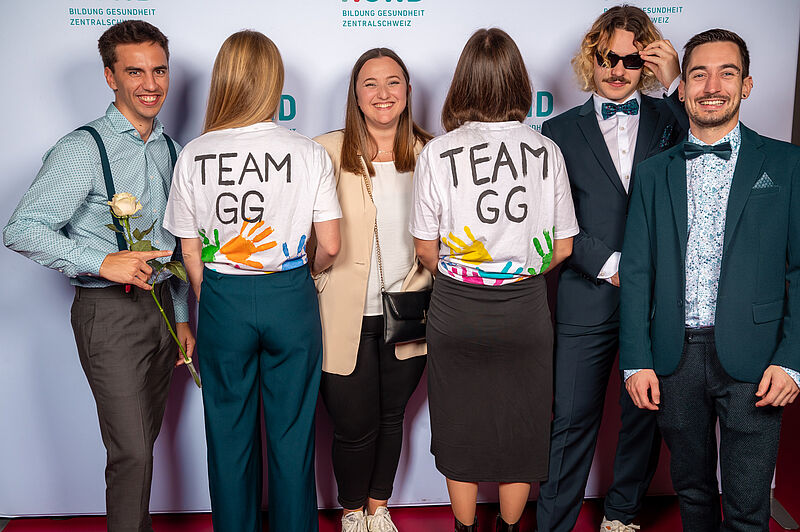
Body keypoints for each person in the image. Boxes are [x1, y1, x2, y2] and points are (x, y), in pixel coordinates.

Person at [3, 20, 193, 532]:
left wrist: (181, 318)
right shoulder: (83, 148)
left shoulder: (172, 150)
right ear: (110, 77)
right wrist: (101, 260)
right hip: (108, 314)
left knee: (143, 443)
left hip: (160, 312)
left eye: (159, 71)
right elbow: (22, 228)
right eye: (135, 72)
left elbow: (174, 245)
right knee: (132, 450)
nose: (150, 84)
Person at [620, 28, 800, 532]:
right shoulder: (652, 174)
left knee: (747, 506)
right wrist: (636, 361)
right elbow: (636, 272)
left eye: (727, 73)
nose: (712, 86)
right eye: (698, 74)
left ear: (746, 86)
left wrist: (792, 360)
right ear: (682, 88)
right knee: (693, 494)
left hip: (758, 360)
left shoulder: (786, 164)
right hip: (673, 357)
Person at [162, 30, 341, 532]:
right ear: (274, 82)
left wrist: (215, 296)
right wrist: (300, 277)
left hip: (223, 296)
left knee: (227, 435)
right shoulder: (306, 151)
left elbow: (189, 250)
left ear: (224, 80)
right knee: (293, 434)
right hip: (291, 293)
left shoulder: (194, 153)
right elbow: (330, 245)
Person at [410, 28, 579, 532]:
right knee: (522, 428)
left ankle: (464, 529)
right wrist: (517, 271)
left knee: (459, 423)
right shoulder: (546, 150)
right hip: (525, 306)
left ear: (462, 82)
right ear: (518, 82)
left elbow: (425, 249)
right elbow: (564, 247)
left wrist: (467, 273)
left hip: (455, 306)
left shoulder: (436, 152)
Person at [534, 6, 687, 532]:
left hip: (658, 298)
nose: (618, 70)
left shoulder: (674, 119)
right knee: (571, 420)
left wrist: (677, 85)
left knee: (644, 417)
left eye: (631, 60)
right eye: (607, 58)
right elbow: (551, 218)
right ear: (591, 57)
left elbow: (710, 163)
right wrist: (612, 263)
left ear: (647, 65)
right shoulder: (555, 131)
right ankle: (553, 524)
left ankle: (621, 517)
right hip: (585, 293)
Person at [314, 48, 432, 532]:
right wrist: (315, 269)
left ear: (407, 91)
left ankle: (378, 508)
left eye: (393, 82)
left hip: (409, 308)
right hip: (341, 312)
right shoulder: (324, 150)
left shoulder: (432, 152)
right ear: (355, 94)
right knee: (352, 425)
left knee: (391, 417)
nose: (383, 93)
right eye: (370, 83)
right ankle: (351, 511)